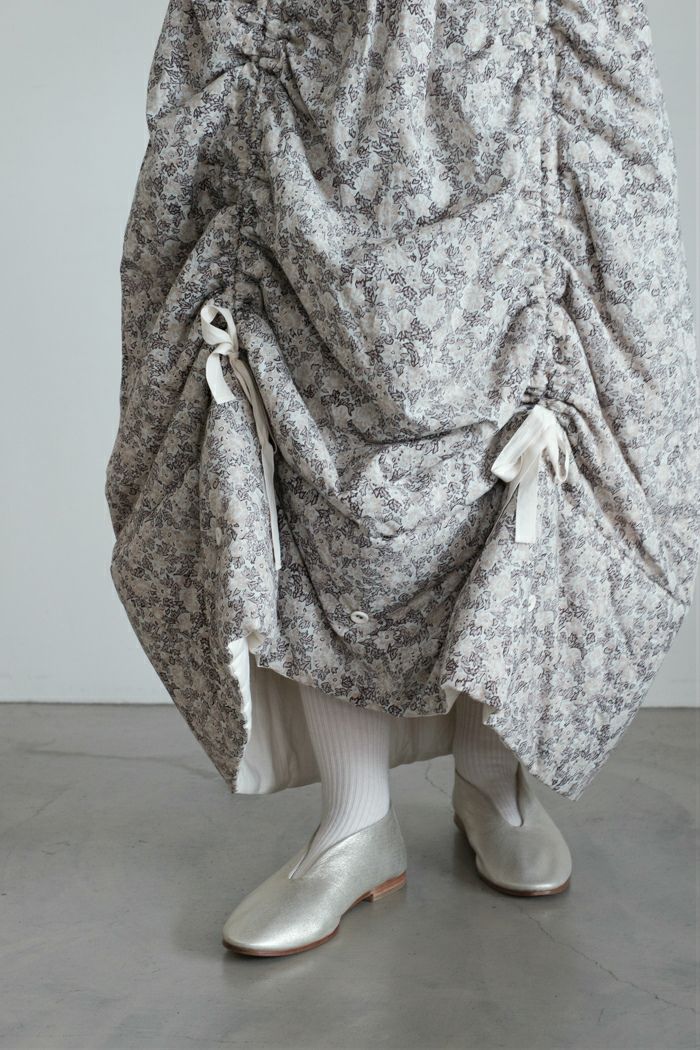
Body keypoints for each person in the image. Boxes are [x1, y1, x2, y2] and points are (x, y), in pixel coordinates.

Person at [106, 0, 699, 957]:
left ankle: (494, 778)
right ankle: (355, 822)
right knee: (316, 404)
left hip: (521, 41)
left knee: (529, 410)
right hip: (316, 45)